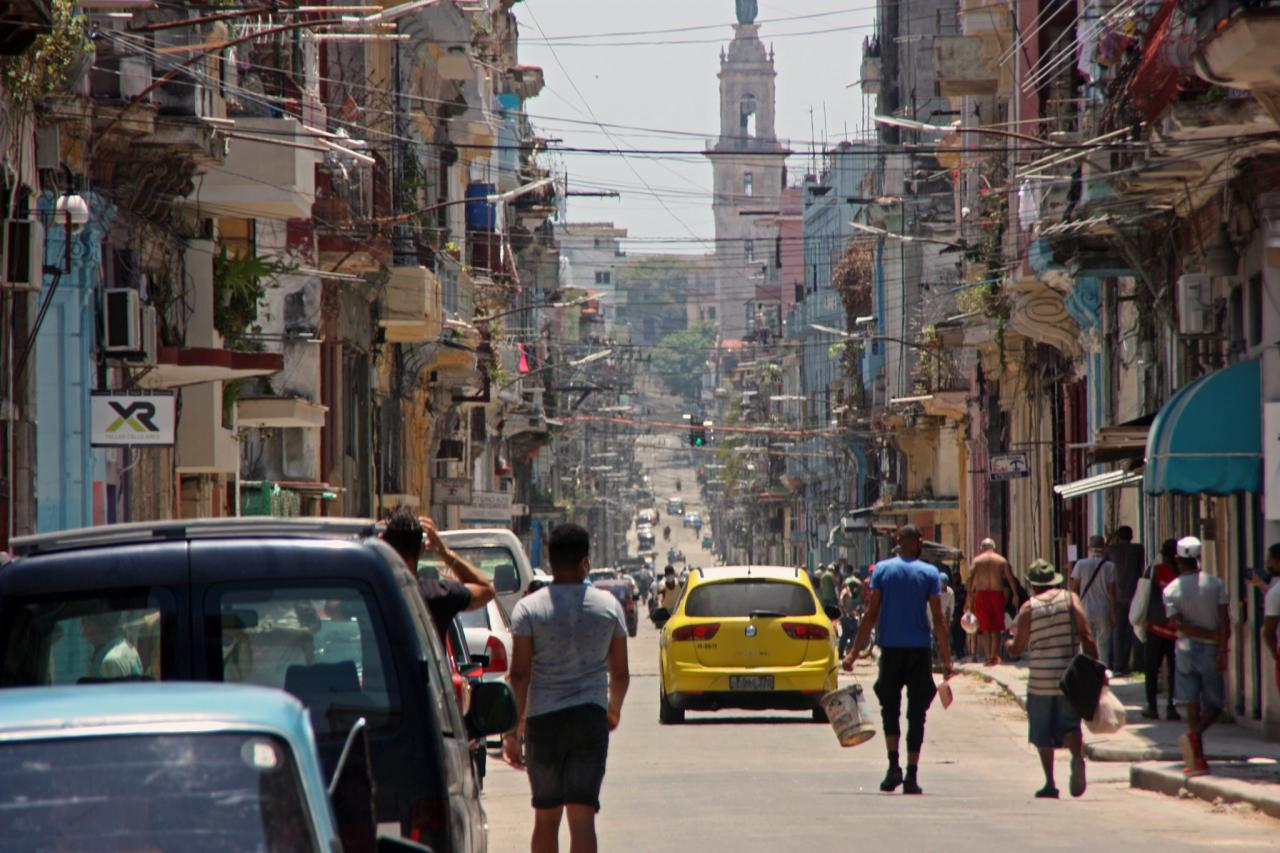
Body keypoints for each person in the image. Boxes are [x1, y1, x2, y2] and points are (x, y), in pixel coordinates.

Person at [504, 523, 630, 853]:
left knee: (545, 818)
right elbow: (620, 673)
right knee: (583, 818)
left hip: (543, 722)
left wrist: (513, 732)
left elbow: (519, 675)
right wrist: (612, 710)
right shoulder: (608, 607)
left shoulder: (529, 609)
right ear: (585, 563)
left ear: (549, 558)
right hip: (590, 720)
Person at [843, 525, 953, 795]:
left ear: (896, 541)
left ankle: (893, 767)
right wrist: (947, 659)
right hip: (918, 651)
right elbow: (938, 619)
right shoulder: (928, 573)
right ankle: (912, 775)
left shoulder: (882, 570)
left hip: (890, 649)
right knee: (917, 714)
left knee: (889, 710)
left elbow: (870, 613)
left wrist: (853, 653)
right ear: (918, 542)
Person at [1006, 559, 1097, 799]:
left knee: (1042, 733)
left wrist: (1008, 644)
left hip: (1040, 681)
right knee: (1071, 725)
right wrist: (1096, 668)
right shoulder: (1070, 600)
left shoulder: (1028, 608)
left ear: (1033, 585)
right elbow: (1086, 635)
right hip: (1069, 679)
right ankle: (1077, 760)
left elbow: (1017, 649)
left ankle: (1050, 782)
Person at [1163, 536, 1228, 777]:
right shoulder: (1215, 584)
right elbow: (1225, 620)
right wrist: (1221, 646)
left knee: (1192, 703)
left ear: (1178, 560)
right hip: (1212, 648)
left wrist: (1201, 633)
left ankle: (1195, 754)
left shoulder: (1171, 590)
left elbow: (1178, 624)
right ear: (1198, 558)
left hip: (1185, 649)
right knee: (1215, 704)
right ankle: (1196, 744)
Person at [381, 506, 495, 642]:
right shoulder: (437, 595)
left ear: (383, 544)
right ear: (422, 549)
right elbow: (486, 589)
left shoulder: (369, 592)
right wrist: (444, 552)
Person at [1141, 539, 1181, 721]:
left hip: (1156, 627)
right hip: (1175, 630)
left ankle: (1152, 707)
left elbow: (1144, 594)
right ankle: (1172, 707)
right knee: (1174, 670)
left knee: (1151, 669)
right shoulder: (1183, 573)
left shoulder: (1155, 571)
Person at [966, 538, 1018, 666]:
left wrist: (969, 596)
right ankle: (994, 656)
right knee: (996, 628)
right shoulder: (1001, 560)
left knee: (984, 628)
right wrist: (1015, 594)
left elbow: (969, 578)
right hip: (997, 594)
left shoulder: (977, 561)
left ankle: (988, 656)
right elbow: (1010, 578)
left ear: (982, 548)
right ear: (993, 548)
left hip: (982, 594)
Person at [1069, 535, 1116, 670]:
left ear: (1089, 548)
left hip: (1085, 609)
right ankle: (1103, 671)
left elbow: (1074, 588)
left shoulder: (1081, 564)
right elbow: (1112, 592)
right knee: (1103, 643)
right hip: (1103, 609)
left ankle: (1087, 670)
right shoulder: (1110, 566)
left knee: (1086, 641)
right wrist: (1113, 612)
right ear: (1104, 548)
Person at [1107, 526, 1146, 675]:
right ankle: (1136, 662)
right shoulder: (1138, 549)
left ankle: (1119, 664)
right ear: (1132, 536)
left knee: (1118, 631)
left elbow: (1104, 561)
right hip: (1134, 593)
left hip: (1116, 595)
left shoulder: (1111, 550)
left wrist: (1110, 539)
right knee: (1134, 628)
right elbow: (1141, 569)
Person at [81, 612, 143, 679]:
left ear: (100, 624)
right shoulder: (125, 644)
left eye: (87, 623)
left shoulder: (111, 661)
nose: (83, 632)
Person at [1260, 544, 1280, 694]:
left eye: (1270, 559)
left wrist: (1275, 653)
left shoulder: (1275, 593)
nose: (1267, 563)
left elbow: (1268, 632)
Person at [838, 577, 861, 657]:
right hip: (844, 616)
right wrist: (845, 612)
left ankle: (846, 649)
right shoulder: (845, 591)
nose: (854, 587)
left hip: (848, 615)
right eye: (853, 585)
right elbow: (841, 602)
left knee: (850, 632)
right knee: (847, 633)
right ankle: (841, 652)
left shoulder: (850, 592)